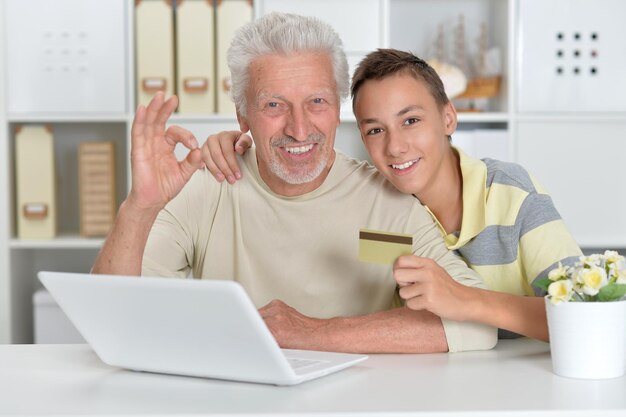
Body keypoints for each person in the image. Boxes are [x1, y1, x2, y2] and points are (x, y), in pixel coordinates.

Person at [92, 13, 496, 353]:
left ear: (338, 110)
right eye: (273, 105)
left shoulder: (384, 208)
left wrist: (313, 333)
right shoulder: (207, 187)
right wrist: (141, 206)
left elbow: (476, 326)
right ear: (243, 116)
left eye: (316, 102)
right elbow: (111, 318)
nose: (299, 129)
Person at [205, 49, 582, 342]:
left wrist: (466, 299)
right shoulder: (379, 207)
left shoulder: (511, 195)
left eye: (411, 121)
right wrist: (246, 149)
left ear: (448, 118)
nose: (396, 147)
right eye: (375, 130)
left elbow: (590, 314)